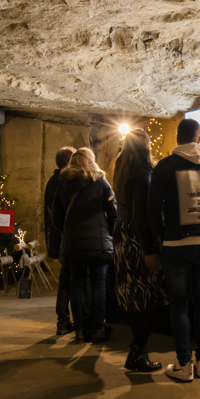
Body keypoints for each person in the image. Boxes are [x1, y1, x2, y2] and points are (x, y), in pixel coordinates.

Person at [147, 118, 200, 382]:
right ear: (199, 138)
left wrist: (159, 239)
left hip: (175, 245)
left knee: (179, 303)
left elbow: (152, 210)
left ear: (177, 139)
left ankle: (184, 365)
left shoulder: (164, 167)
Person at [112, 130, 164, 373]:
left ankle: (139, 353)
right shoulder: (143, 174)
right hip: (137, 239)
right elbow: (141, 216)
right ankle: (136, 351)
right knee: (151, 299)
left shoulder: (121, 168)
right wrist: (150, 251)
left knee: (134, 298)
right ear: (146, 147)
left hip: (122, 235)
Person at [53, 147, 117, 345]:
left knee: (77, 286)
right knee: (99, 286)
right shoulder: (101, 182)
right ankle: (98, 329)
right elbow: (113, 213)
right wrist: (110, 233)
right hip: (99, 243)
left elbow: (56, 217)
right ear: (91, 161)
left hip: (74, 244)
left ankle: (79, 331)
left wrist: (69, 230)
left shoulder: (63, 184)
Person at [44, 146, 76, 335]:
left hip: (60, 236)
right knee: (71, 280)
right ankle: (68, 321)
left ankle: (63, 321)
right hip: (67, 236)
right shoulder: (65, 182)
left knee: (66, 279)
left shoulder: (51, 181)